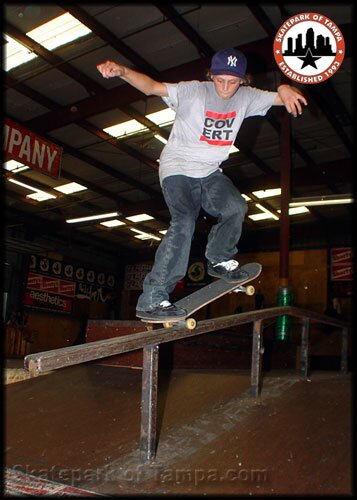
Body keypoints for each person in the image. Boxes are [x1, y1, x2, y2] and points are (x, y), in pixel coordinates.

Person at [97, 48, 307, 321]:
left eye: (233, 82)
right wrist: (123, 71)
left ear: (243, 80)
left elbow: (283, 97)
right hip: (177, 168)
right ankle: (153, 297)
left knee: (235, 207)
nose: (225, 88)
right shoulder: (192, 91)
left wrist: (285, 86)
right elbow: (151, 86)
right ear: (211, 75)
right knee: (184, 221)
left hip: (209, 172)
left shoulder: (248, 96)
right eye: (220, 80)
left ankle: (219, 259)